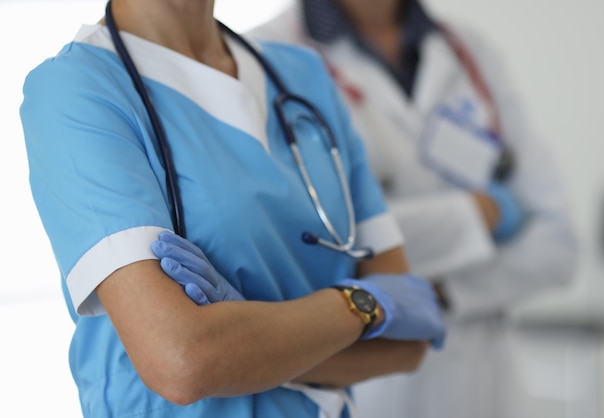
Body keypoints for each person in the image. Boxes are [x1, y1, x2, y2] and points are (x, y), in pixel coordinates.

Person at [19, 0, 447, 417]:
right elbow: (183, 362)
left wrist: (248, 347)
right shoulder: (74, 91)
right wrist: (361, 305)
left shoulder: (303, 76)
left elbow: (408, 343)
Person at [248, 0, 579, 417]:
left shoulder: (469, 52)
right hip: (365, 381)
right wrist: (481, 215)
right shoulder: (266, 53)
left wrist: (436, 291)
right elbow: (315, 244)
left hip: (483, 379)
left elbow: (559, 244)